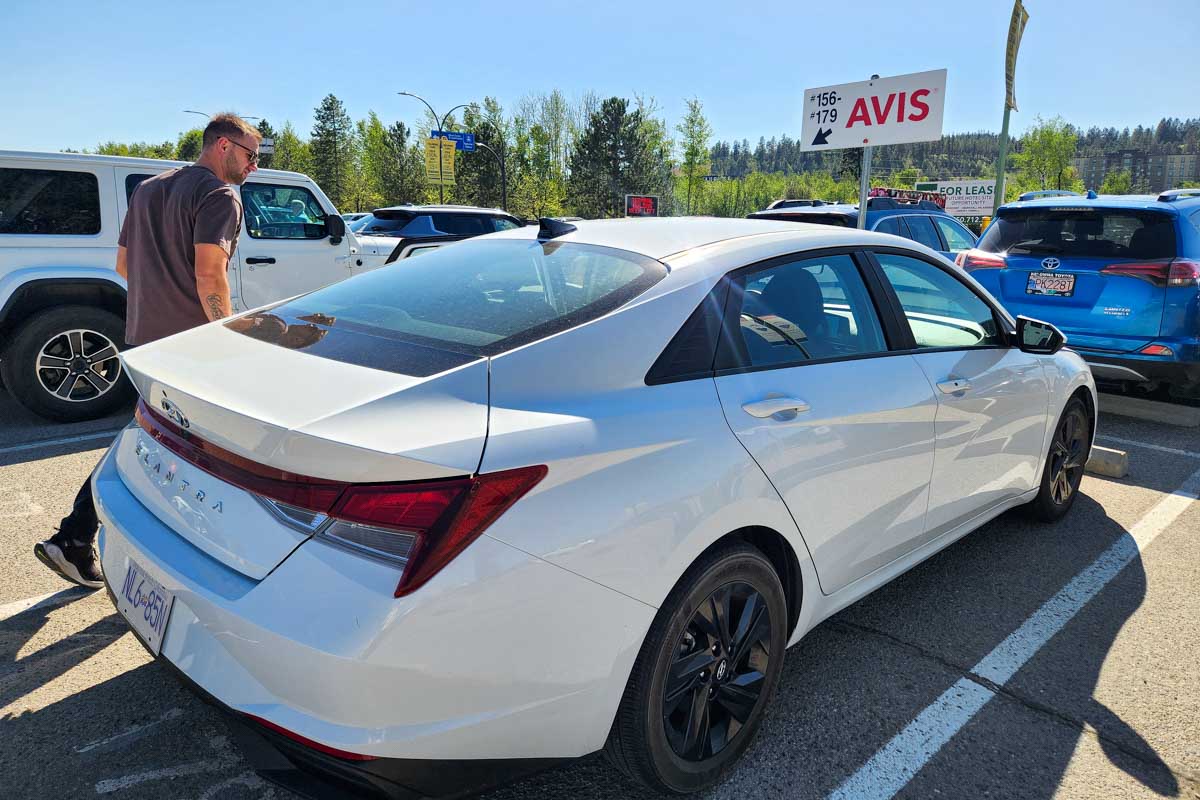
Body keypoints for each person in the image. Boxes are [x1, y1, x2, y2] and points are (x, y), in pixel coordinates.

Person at [34, 113, 260, 589]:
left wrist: (159, 297)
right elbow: (209, 275)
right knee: (182, 446)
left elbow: (123, 264)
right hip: (192, 346)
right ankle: (91, 540)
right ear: (223, 145)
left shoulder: (148, 189)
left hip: (144, 338)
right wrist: (224, 336)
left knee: (152, 438)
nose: (253, 166)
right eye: (250, 155)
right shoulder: (220, 195)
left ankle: (79, 537)